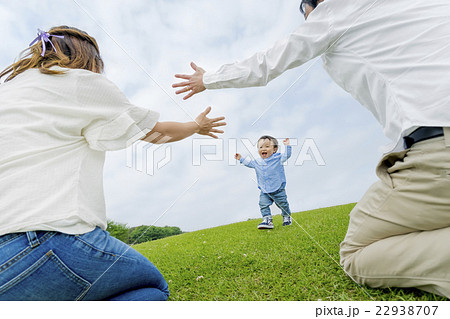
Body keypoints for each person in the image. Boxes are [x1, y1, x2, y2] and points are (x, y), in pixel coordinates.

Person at [172, 0, 450, 298]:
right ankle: (270, 219)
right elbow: (252, 164)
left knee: (357, 251)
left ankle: (286, 217)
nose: (309, 22)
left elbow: (267, 62)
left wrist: (208, 79)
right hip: (268, 188)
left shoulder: (333, 11)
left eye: (307, 15)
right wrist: (242, 159)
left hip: (437, 144)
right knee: (266, 204)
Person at [0, 26, 226, 301]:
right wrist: (196, 126)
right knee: (149, 288)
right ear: (89, 59)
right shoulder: (78, 81)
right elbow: (154, 132)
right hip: (45, 238)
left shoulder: (8, 89)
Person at [235, 136, 292, 229]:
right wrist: (241, 159)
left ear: (275, 149)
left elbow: (287, 155)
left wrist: (287, 146)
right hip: (265, 190)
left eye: (267, 146)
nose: (263, 149)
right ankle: (267, 220)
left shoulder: (278, 158)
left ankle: (286, 216)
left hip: (278, 189)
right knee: (263, 204)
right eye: (260, 147)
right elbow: (249, 164)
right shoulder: (258, 162)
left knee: (283, 204)